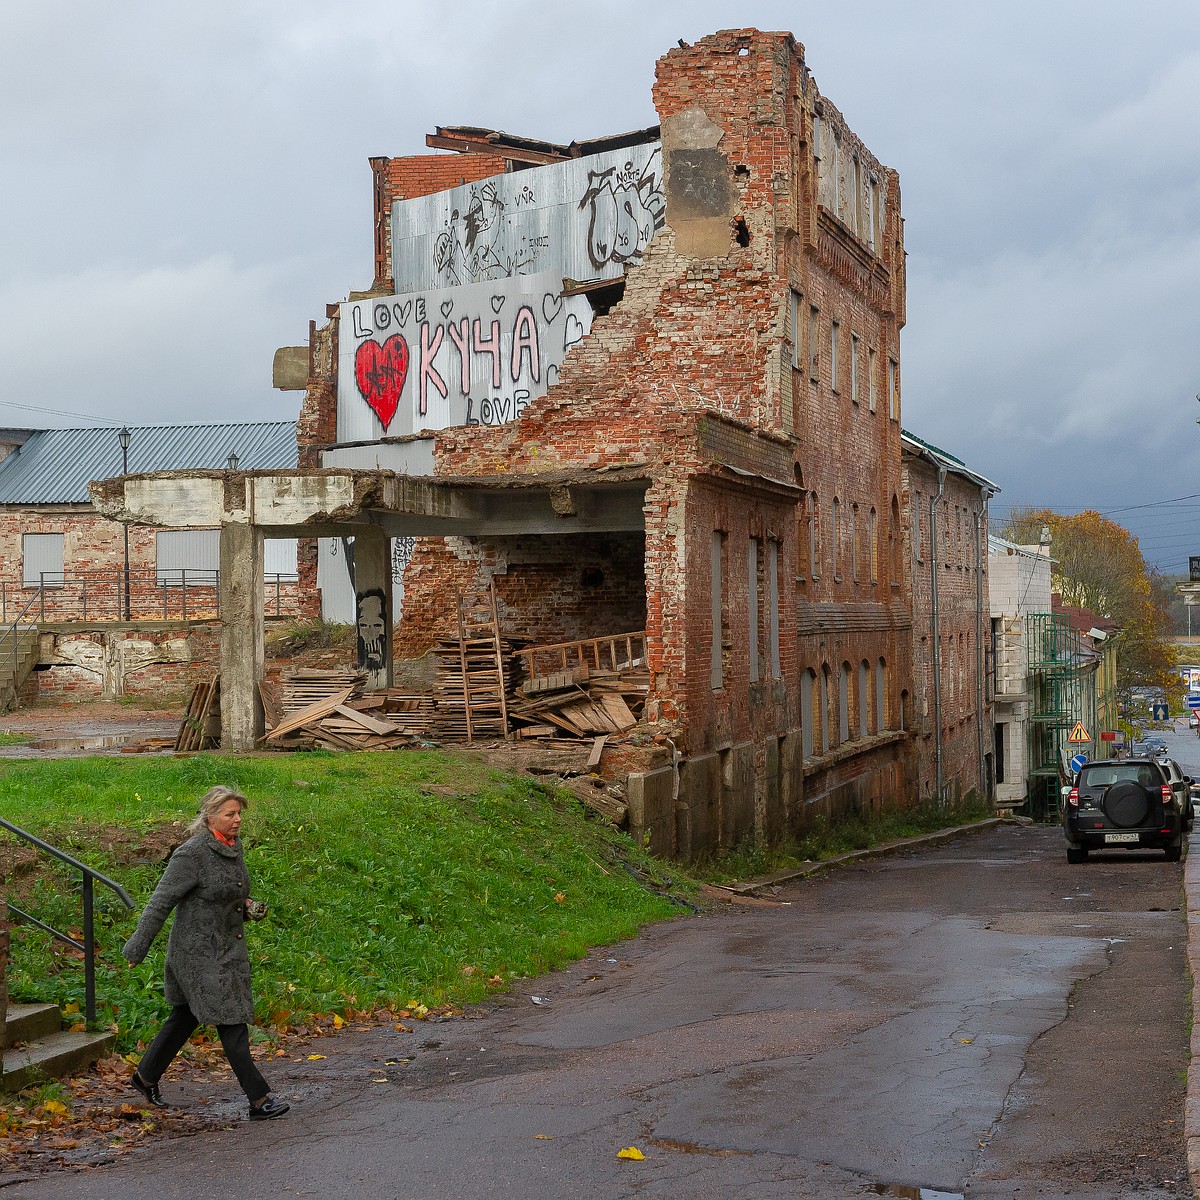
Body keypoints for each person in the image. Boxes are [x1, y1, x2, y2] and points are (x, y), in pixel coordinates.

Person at [122, 785, 289, 1121]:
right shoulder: (192, 854)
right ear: (211, 817)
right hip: (196, 954)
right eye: (230, 814)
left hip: (226, 949)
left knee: (185, 1016)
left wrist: (247, 907)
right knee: (231, 1021)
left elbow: (231, 894)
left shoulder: (232, 847)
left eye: (239, 813)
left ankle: (145, 1076)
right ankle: (259, 1099)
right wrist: (137, 947)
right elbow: (160, 903)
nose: (238, 819)